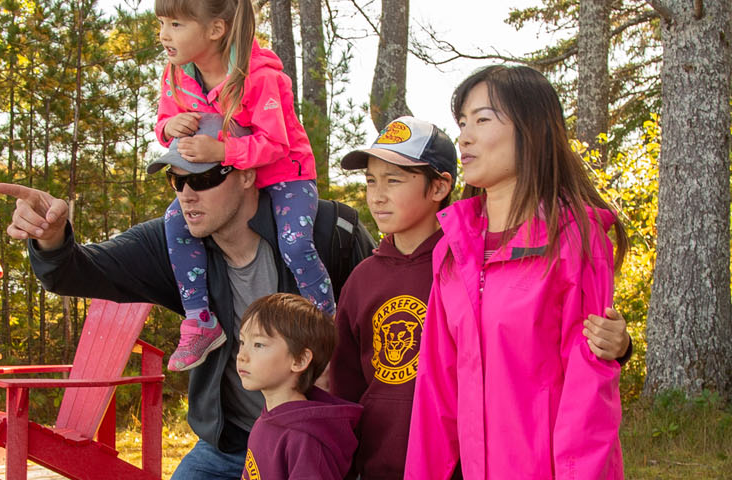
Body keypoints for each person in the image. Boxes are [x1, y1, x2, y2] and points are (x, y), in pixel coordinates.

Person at [0, 162, 371, 480]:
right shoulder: (176, 246)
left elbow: (390, 332)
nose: (187, 194)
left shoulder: (324, 232)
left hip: (317, 445)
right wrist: (53, 238)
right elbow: (76, 271)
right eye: (177, 180)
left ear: (246, 174)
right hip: (231, 444)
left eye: (204, 178)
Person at [331, 116, 634, 480]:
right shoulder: (362, 279)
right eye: (370, 181)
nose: (377, 195)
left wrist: (620, 345)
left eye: (394, 180)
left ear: (439, 186)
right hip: (380, 464)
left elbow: (531, 344)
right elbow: (346, 386)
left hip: (470, 463)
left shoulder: (464, 264)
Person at [407, 65, 632, 480]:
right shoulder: (452, 252)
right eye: (462, 122)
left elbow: (588, 402)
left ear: (530, 130)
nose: (465, 137)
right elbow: (434, 398)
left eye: (482, 119)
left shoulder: (575, 242)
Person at [150, 0, 330, 372]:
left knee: (295, 244)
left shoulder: (257, 76)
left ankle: (326, 320)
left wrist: (222, 149)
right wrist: (170, 127)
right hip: (229, 182)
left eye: (176, 24)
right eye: (162, 23)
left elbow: (276, 143)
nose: (164, 34)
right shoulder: (176, 75)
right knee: (174, 222)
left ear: (215, 30)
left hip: (285, 174)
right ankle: (200, 320)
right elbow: (164, 121)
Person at [234, 293, 360, 480]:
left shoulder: (305, 438)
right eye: (243, 342)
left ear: (300, 360)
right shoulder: (270, 418)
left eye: (259, 345)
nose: (242, 356)